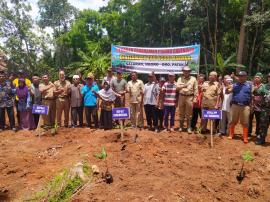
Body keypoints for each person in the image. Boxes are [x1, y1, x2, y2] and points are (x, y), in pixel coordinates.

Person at [227, 71, 252, 144]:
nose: (241, 77)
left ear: (245, 77)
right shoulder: (234, 85)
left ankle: (245, 137)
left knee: (245, 122)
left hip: (245, 106)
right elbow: (228, 91)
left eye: (242, 76)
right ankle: (231, 134)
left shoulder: (249, 85)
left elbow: (252, 95)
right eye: (240, 76)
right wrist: (226, 89)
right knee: (233, 121)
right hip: (235, 105)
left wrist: (252, 106)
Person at [176, 66, 198, 133]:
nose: (186, 72)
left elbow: (196, 89)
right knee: (181, 113)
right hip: (181, 97)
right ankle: (181, 127)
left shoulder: (193, 79)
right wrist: (183, 86)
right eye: (185, 71)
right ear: (183, 72)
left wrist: (195, 98)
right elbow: (177, 88)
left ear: (190, 72)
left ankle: (189, 128)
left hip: (189, 97)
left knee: (189, 113)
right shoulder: (180, 79)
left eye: (187, 71)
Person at [248, 73, 264, 137]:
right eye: (255, 77)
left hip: (259, 106)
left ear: (261, 79)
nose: (256, 78)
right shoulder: (251, 85)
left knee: (258, 120)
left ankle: (257, 133)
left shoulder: (263, 86)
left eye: (258, 77)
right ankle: (249, 132)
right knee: (249, 119)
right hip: (251, 105)